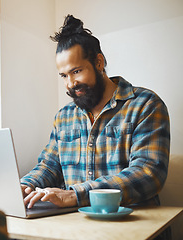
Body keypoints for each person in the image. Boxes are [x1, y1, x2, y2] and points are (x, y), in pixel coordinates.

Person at [20, 15, 170, 211]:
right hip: (77, 226)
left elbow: (149, 173)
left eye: (76, 71)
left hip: (134, 225)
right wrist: (25, 185)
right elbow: (49, 166)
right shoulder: (64, 117)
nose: (70, 84)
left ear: (99, 62)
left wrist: (76, 194)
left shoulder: (146, 105)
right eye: (64, 75)